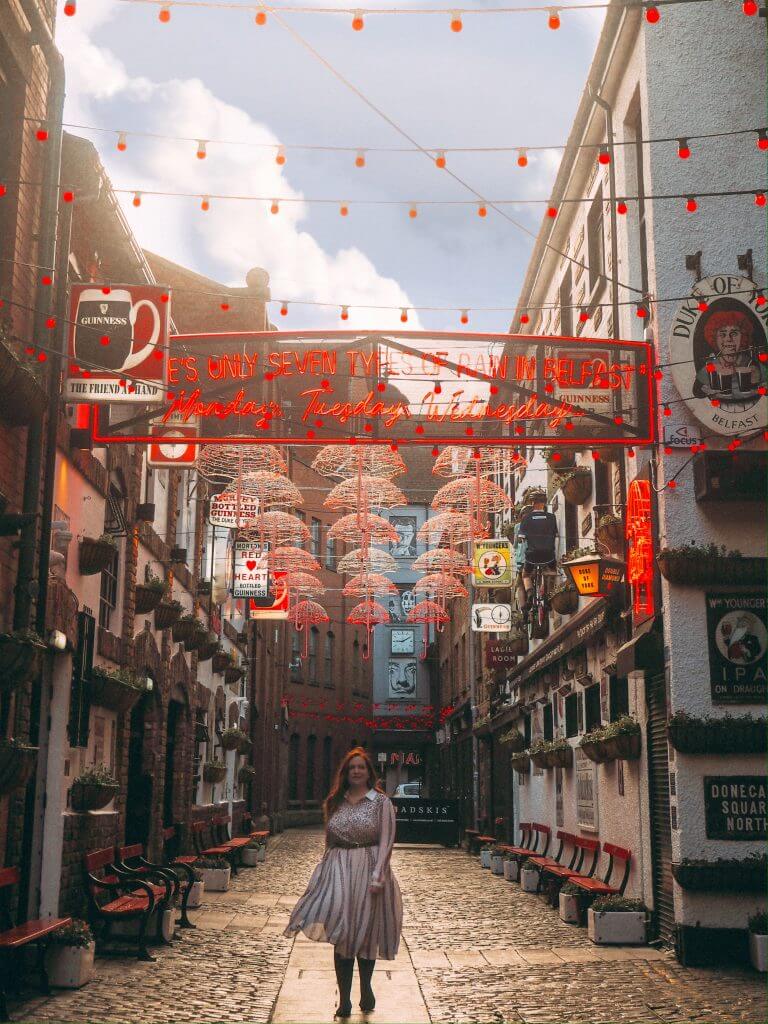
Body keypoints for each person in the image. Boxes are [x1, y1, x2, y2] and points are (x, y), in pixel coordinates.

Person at [283, 747, 403, 1018]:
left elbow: (387, 838)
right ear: (346, 773)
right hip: (339, 868)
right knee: (342, 931)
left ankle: (366, 989)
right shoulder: (337, 800)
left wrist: (379, 873)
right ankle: (345, 998)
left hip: (369, 865)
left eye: (361, 767)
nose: (357, 771)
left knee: (366, 931)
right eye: (352, 768)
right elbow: (330, 839)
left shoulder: (380, 802)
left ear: (368, 772)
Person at [693, 310, 762, 401]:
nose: (728, 339)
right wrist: (706, 390)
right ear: (714, 338)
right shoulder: (711, 367)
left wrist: (758, 381)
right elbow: (696, 392)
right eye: (722, 334)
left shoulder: (751, 364)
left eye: (734, 334)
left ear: (743, 337)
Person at [517, 490, 558, 611]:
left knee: (525, 575)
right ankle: (548, 597)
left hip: (532, 556)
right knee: (552, 572)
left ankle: (530, 594)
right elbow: (555, 535)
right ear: (544, 503)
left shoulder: (527, 518)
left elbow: (521, 539)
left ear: (532, 503)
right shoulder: (551, 517)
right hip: (548, 554)